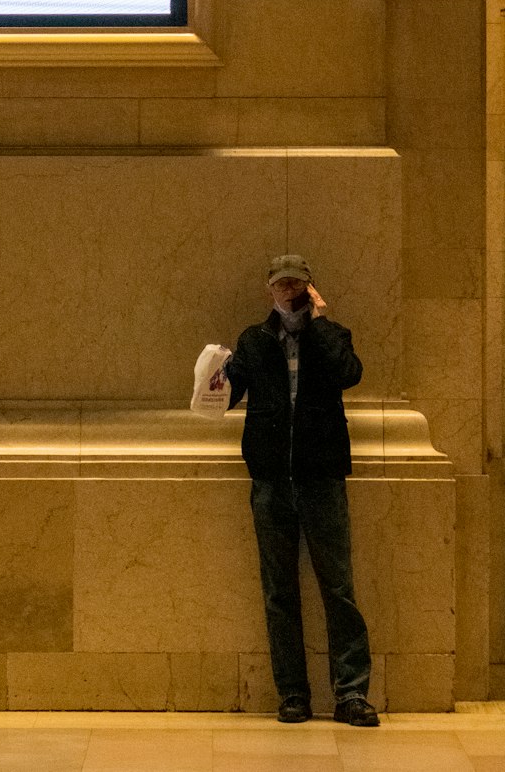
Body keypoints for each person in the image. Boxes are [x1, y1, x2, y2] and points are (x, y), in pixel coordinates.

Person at [224, 254, 380, 728]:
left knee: (339, 588)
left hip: (320, 478)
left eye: (296, 285)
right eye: (280, 284)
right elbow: (225, 396)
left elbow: (349, 374)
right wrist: (216, 372)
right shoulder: (253, 340)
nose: (287, 292)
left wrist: (321, 321)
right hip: (271, 481)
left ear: (310, 290)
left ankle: (351, 694)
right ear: (268, 290)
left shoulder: (331, 336)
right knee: (279, 592)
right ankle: (292, 693)